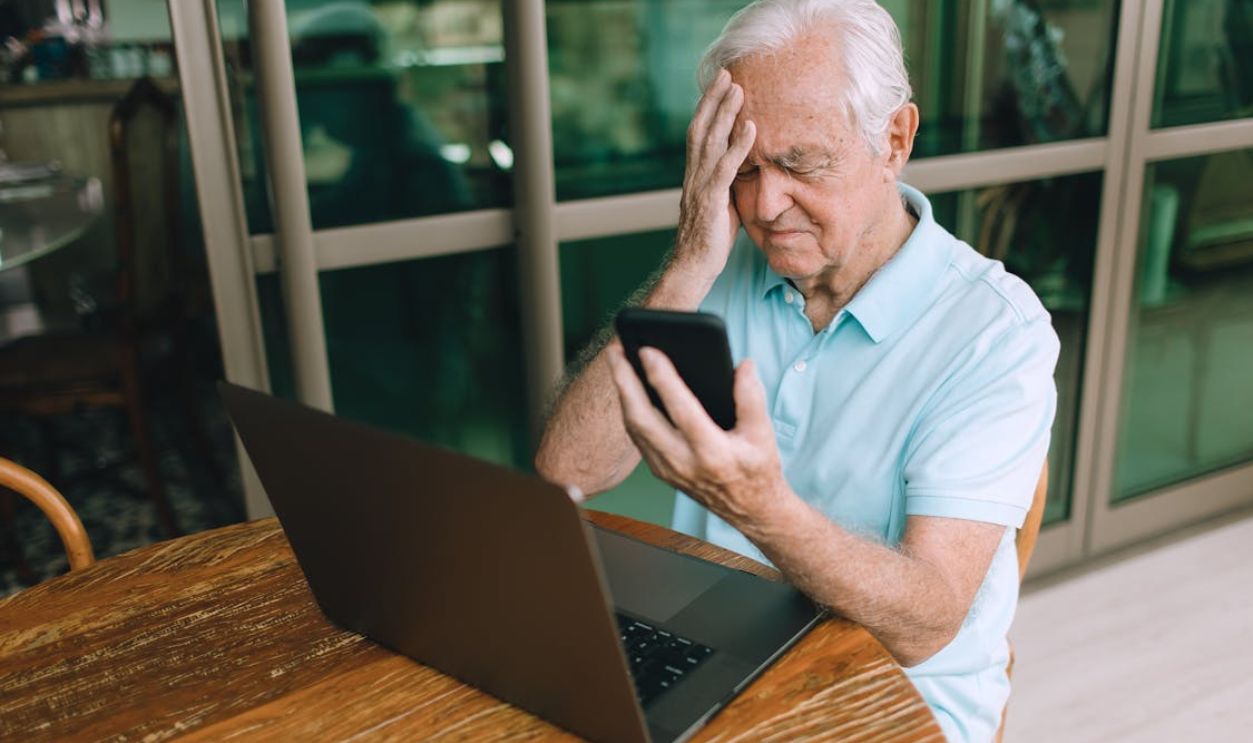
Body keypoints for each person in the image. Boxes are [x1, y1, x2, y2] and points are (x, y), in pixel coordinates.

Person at [534, 1, 1058, 740]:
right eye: (742, 170)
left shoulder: (994, 333)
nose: (765, 205)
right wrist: (687, 262)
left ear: (894, 140)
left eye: (800, 163)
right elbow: (567, 467)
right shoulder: (718, 261)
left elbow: (928, 621)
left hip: (893, 693)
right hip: (719, 648)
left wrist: (758, 507)